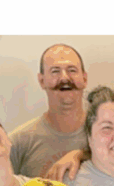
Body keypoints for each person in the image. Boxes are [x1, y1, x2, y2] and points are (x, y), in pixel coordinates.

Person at [9, 44, 88, 178]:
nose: (64, 78)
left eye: (72, 70)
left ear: (84, 79)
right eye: (55, 71)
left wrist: (81, 154)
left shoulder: (107, 134)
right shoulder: (18, 142)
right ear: (42, 81)